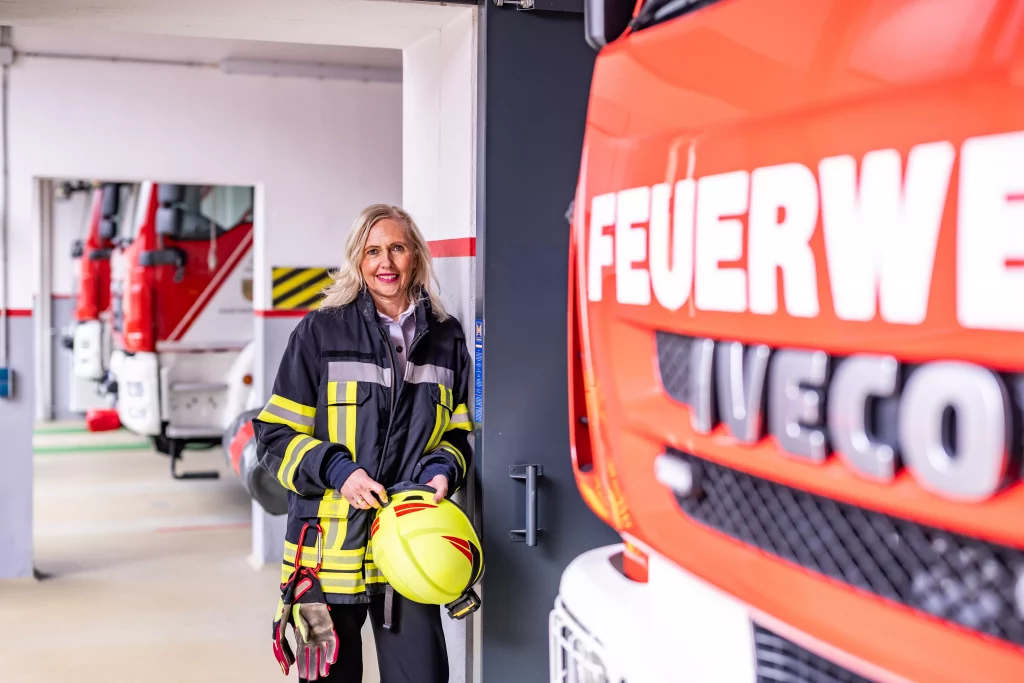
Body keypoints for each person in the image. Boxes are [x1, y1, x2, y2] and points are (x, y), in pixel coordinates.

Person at [253, 204, 474, 683]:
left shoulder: (446, 338)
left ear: (415, 256)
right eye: (372, 251)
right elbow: (273, 436)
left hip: (409, 546)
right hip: (326, 555)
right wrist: (340, 472)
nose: (385, 262)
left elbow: (457, 433)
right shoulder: (320, 332)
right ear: (357, 259)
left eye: (396, 248)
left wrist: (442, 470)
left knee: (423, 676)